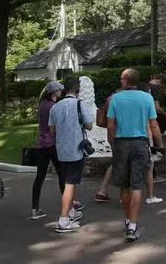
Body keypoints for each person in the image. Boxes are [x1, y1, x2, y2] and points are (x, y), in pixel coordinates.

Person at [106, 68, 164, 242]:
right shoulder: (146, 98)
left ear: (125, 80)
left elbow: (110, 125)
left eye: (121, 79)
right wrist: (159, 145)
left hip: (122, 143)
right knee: (137, 185)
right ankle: (132, 225)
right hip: (140, 143)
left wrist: (112, 143)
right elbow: (153, 124)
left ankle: (127, 219)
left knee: (124, 186)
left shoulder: (115, 99)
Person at [49, 76, 94, 233]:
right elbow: (89, 126)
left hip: (61, 149)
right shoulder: (79, 104)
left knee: (69, 181)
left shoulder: (55, 107)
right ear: (77, 89)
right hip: (76, 149)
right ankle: (63, 219)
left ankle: (70, 212)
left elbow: (52, 130)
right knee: (70, 183)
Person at [30, 81, 66, 220]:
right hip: (53, 143)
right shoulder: (54, 107)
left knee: (40, 176)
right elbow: (57, 126)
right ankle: (67, 206)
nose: (61, 92)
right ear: (54, 92)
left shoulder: (42, 105)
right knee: (62, 174)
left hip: (41, 144)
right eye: (59, 90)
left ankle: (35, 208)